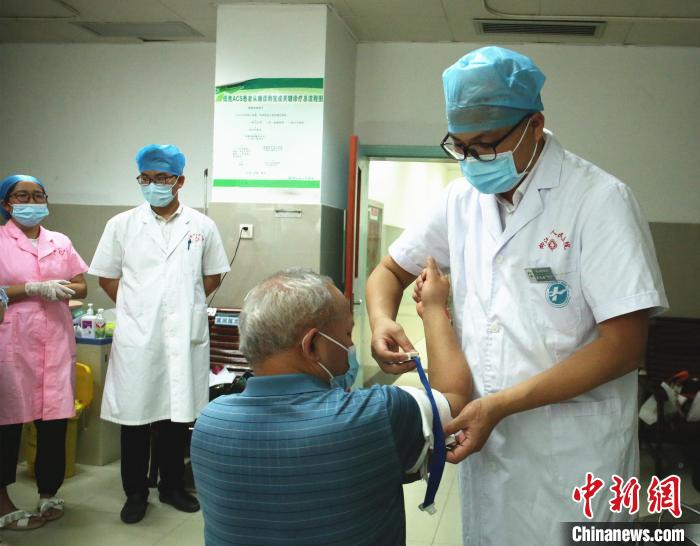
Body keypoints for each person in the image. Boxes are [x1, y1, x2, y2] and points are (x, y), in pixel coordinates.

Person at [365, 46, 668, 545]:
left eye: (486, 145)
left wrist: (501, 405)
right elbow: (389, 271)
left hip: (575, 452)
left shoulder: (599, 200)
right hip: (490, 445)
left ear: (535, 125)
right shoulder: (460, 201)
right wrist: (381, 321)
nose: (472, 161)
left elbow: (624, 346)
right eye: (460, 147)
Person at [191, 263, 472, 546]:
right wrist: (434, 307)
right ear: (312, 345)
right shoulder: (376, 415)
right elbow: (454, 401)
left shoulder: (209, 422)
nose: (351, 345)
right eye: (348, 334)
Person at [88, 144, 230, 524]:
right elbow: (107, 276)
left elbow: (214, 274)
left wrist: (182, 301)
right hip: (139, 335)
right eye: (146, 178)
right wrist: (138, 307)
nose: (153, 185)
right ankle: (135, 493)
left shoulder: (202, 226)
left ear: (180, 181)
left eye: (162, 178)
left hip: (184, 334)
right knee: (135, 417)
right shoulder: (121, 225)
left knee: (176, 415)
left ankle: (172, 487)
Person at [0, 174, 88, 531]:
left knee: (53, 422)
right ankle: (1, 501)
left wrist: (61, 288)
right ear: (6, 204)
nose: (32, 202)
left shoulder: (60, 241)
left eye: (38, 195)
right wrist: (32, 288)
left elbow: (81, 284)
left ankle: (49, 492)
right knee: (6, 422)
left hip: (55, 341)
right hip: (12, 342)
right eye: (22, 196)